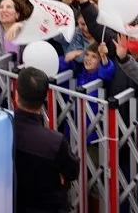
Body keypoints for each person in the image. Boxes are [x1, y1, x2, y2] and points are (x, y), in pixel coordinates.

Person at [14, 66, 80, 213]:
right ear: (45, 98)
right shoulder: (54, 142)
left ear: (16, 94)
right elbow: (72, 172)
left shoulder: (0, 129)